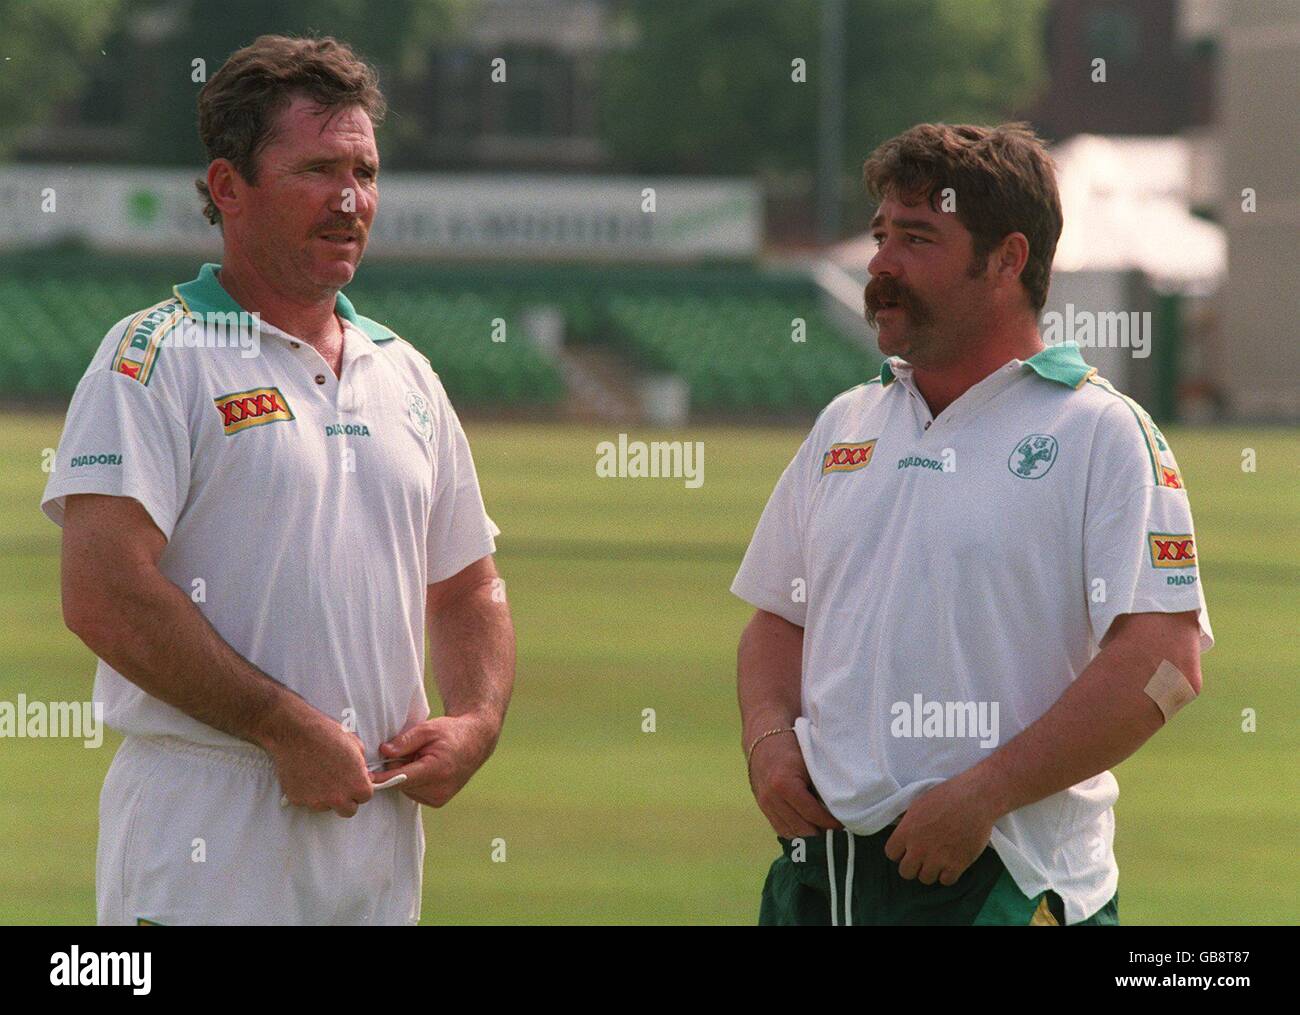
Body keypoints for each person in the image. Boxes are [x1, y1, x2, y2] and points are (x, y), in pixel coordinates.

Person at [42, 35, 515, 925]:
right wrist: (279, 725)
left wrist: (477, 720)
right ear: (228, 188)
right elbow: (102, 592)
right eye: (318, 169)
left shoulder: (404, 371)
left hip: (376, 835)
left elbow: (468, 584)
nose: (351, 200)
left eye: (365, 171)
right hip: (207, 830)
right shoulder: (153, 356)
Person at [732, 122, 1212, 926]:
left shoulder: (1099, 433)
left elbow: (1164, 666)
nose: (881, 262)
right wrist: (768, 741)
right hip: (822, 880)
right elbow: (780, 618)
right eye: (883, 234)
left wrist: (986, 792)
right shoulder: (848, 421)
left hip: (1005, 882)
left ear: (1007, 259)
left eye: (917, 237)